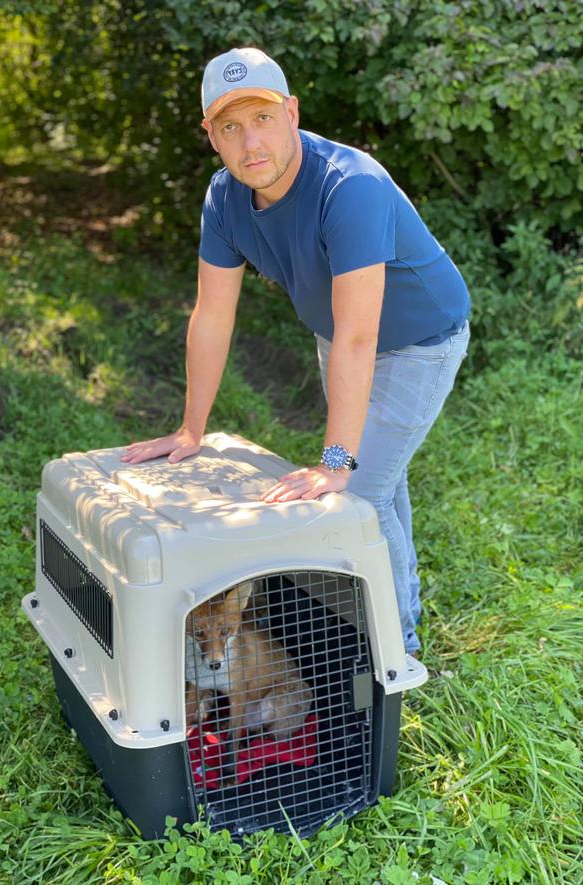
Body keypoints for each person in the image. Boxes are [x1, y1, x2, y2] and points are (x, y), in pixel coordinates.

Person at [123, 47, 470, 656]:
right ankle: (400, 614)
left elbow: (362, 335)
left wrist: (336, 460)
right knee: (380, 481)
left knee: (358, 493)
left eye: (261, 118)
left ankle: (399, 651)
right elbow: (212, 314)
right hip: (337, 335)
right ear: (211, 136)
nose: (249, 142)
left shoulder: (350, 186)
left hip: (420, 340)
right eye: (230, 126)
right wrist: (189, 430)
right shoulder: (224, 198)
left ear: (291, 111)